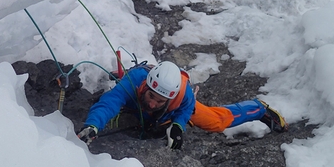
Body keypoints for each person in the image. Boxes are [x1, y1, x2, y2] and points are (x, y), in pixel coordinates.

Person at [77, 61, 288, 149]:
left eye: (160, 101)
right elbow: (109, 103)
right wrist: (93, 125)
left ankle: (259, 108)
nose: (152, 102)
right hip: (141, 107)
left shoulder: (183, 94)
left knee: (217, 122)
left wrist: (178, 125)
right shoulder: (134, 81)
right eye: (151, 96)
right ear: (147, 85)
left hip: (171, 113)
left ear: (170, 98)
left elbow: (187, 108)